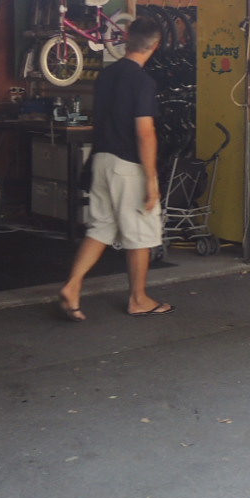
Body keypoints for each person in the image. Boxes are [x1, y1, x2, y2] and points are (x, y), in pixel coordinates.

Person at [57, 16, 173, 320]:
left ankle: (72, 286)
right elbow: (145, 132)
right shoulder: (143, 82)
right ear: (156, 45)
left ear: (127, 38)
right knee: (140, 234)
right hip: (127, 166)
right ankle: (138, 299)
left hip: (101, 160)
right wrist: (151, 180)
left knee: (101, 228)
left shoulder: (107, 75)